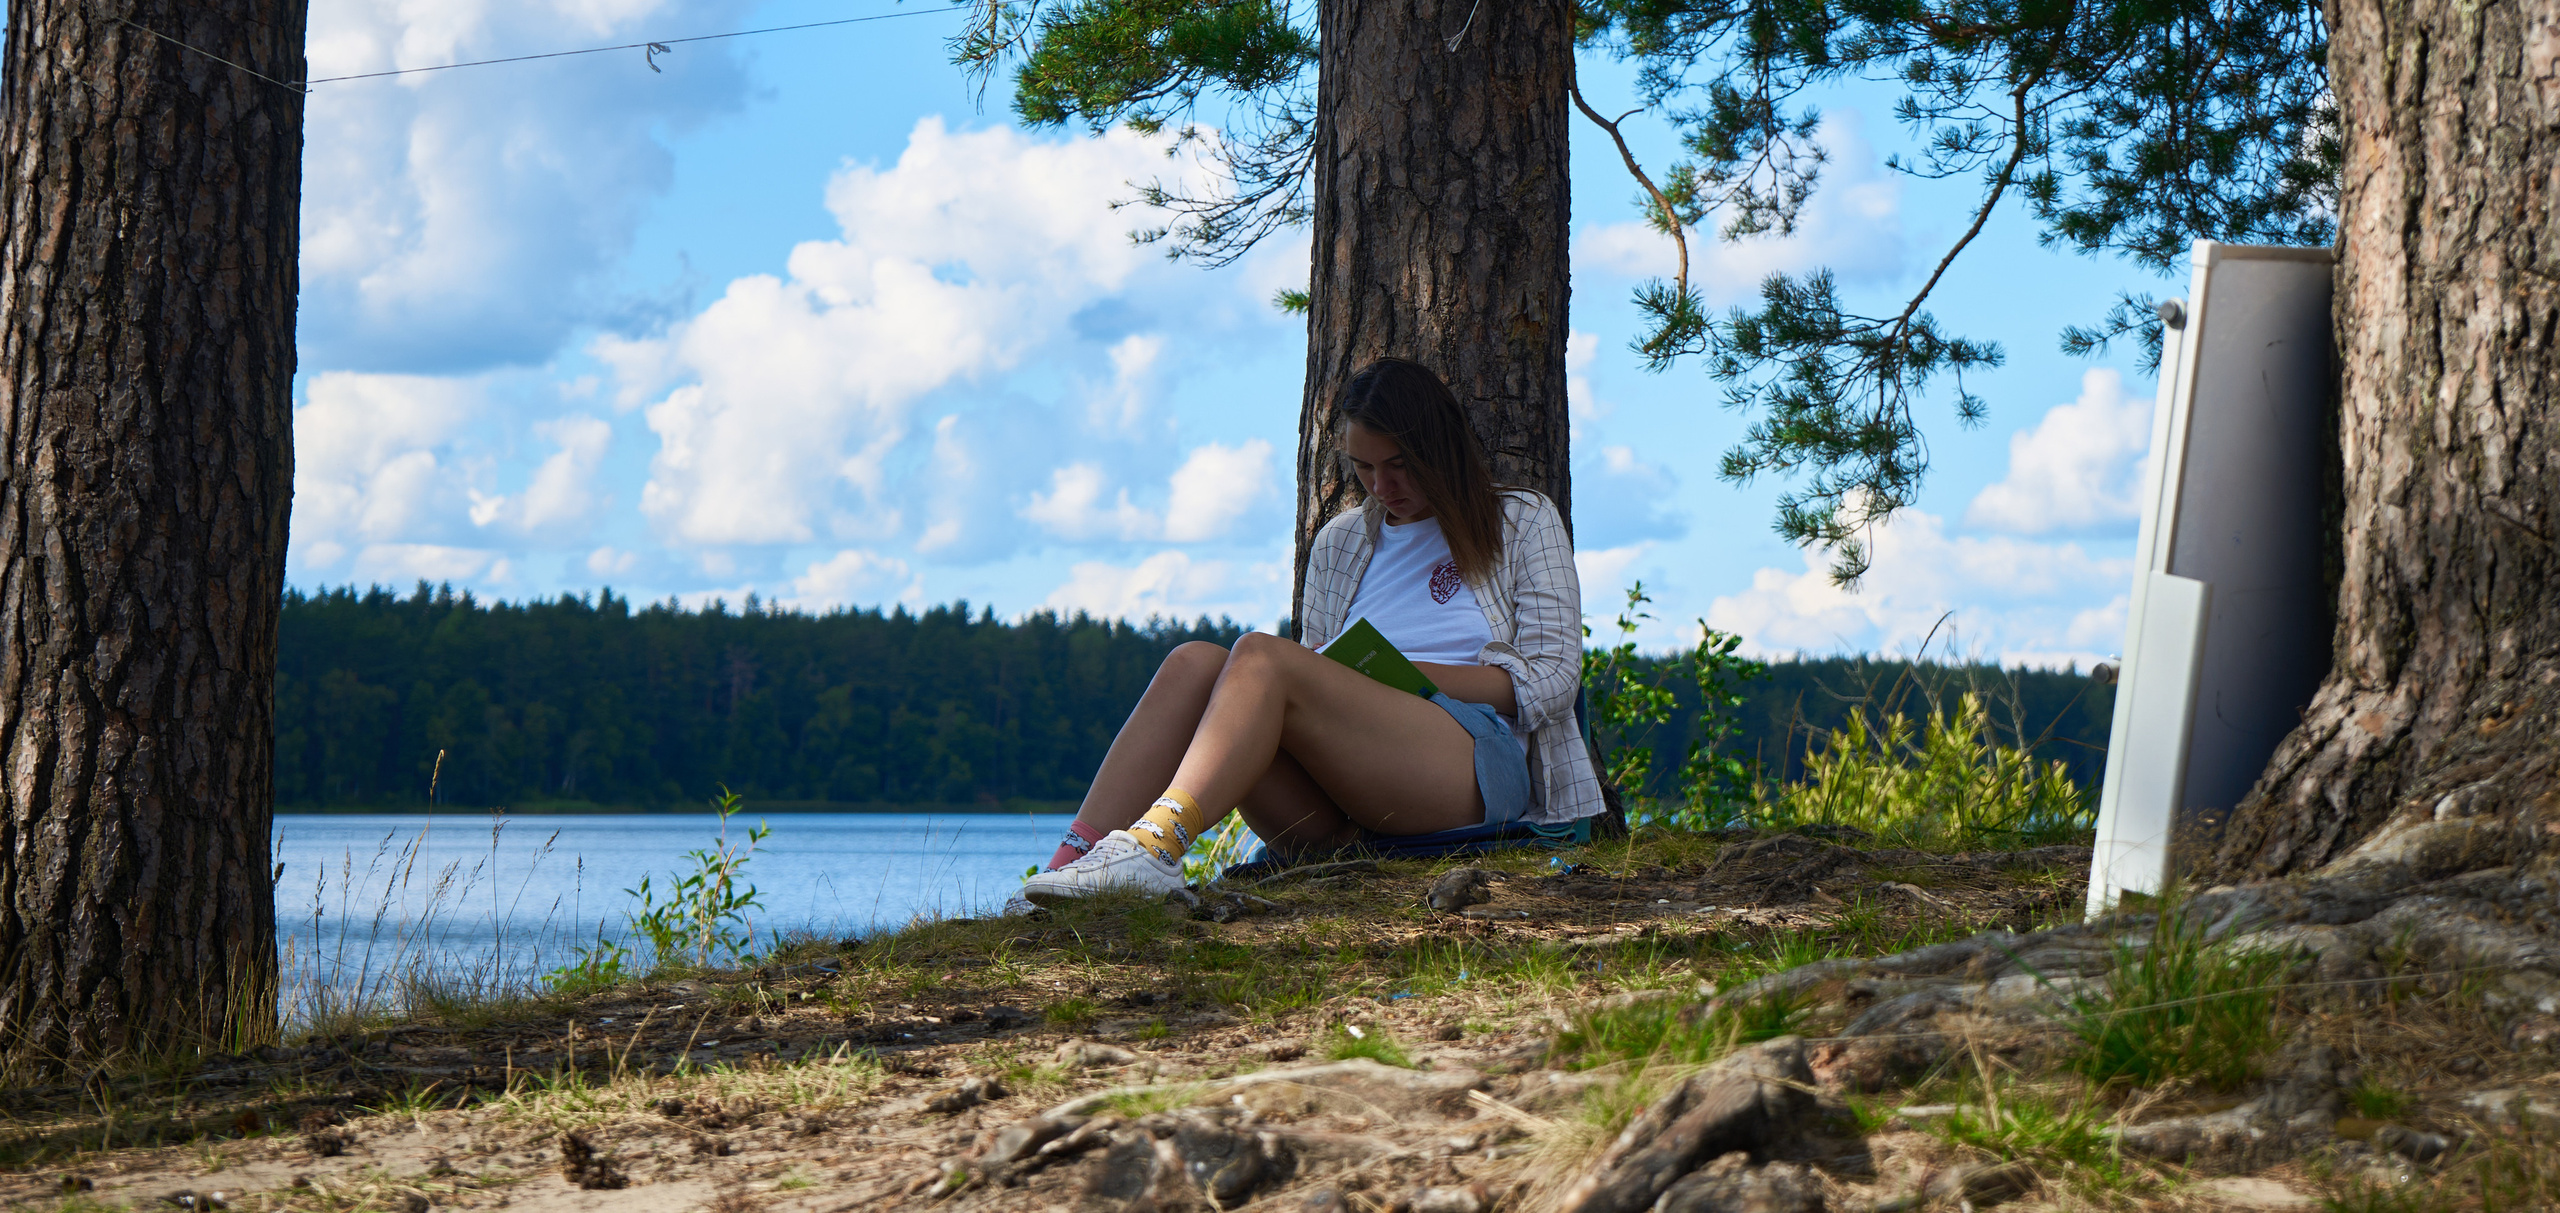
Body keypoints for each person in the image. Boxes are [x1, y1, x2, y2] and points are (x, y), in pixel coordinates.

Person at [1016, 357, 1600, 905]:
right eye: (1364, 467)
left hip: (1470, 764)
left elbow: (1553, 681)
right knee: (1195, 662)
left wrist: (1403, 676)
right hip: (1338, 810)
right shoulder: (1341, 542)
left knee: (1264, 658)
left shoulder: (1520, 519)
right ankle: (1067, 868)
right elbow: (1303, 687)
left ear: (1439, 448)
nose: (1381, 484)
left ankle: (1156, 845)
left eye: (1398, 464)